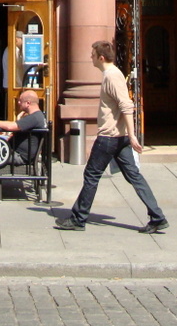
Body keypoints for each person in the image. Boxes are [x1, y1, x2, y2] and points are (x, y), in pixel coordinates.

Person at [55, 40, 168, 234]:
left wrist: (132, 136)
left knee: (91, 175)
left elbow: (126, 105)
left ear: (101, 57)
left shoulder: (112, 76)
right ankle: (157, 217)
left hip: (110, 137)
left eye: (92, 55)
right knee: (134, 176)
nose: (90, 57)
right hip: (119, 137)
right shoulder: (111, 75)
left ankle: (78, 219)